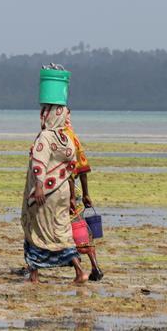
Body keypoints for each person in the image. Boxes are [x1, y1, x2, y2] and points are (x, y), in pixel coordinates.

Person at [21, 103, 90, 284]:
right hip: (63, 192)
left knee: (36, 229)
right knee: (61, 230)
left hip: (45, 193)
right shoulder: (66, 139)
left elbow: (39, 163)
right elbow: (71, 168)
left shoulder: (44, 137)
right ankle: (79, 271)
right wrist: (72, 197)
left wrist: (39, 187)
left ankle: (34, 274)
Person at [64, 108, 104, 281]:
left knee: (64, 233)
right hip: (77, 193)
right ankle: (95, 267)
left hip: (64, 193)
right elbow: (83, 168)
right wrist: (86, 194)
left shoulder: (60, 137)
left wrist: (71, 196)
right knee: (82, 230)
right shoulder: (73, 136)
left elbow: (68, 173)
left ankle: (79, 271)